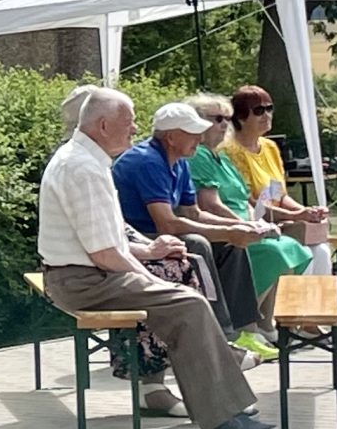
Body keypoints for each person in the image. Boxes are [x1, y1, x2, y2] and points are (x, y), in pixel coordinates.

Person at [38, 93, 273, 429]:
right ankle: (220, 412)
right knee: (187, 303)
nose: (135, 128)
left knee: (184, 282)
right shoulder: (83, 168)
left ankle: (199, 396)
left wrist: (150, 250)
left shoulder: (86, 160)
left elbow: (108, 237)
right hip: (83, 282)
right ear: (102, 126)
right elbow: (104, 254)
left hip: (84, 275)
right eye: (128, 121)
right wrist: (152, 278)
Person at [112, 100, 271, 356]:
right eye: (193, 132)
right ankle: (219, 336)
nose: (199, 138)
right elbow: (167, 223)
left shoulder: (181, 160)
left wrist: (241, 226)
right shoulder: (147, 161)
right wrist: (228, 231)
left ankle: (244, 330)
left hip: (158, 235)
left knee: (231, 245)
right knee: (197, 243)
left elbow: (193, 212)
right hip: (136, 239)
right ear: (171, 137)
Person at [184, 95, 328, 321]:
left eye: (270, 108)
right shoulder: (217, 153)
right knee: (280, 252)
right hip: (232, 230)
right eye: (259, 110)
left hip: (260, 222)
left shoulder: (261, 149)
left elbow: (268, 195)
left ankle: (295, 321)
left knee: (313, 251)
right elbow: (211, 204)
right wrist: (249, 225)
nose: (225, 124)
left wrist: (300, 212)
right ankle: (250, 321)